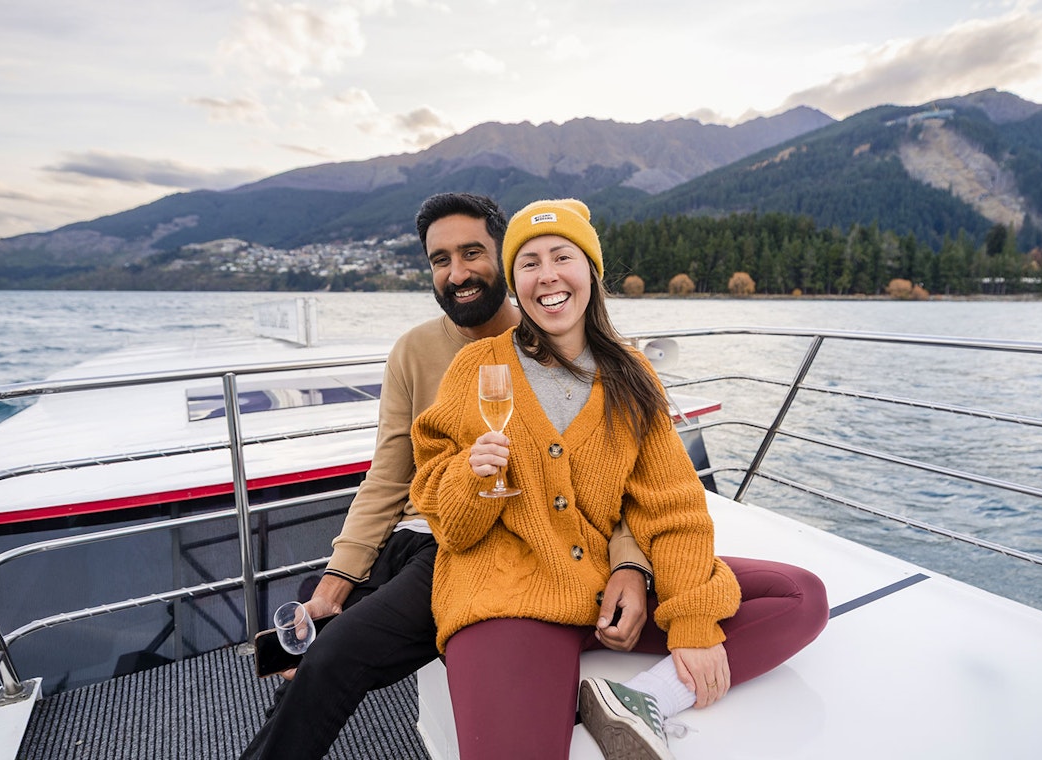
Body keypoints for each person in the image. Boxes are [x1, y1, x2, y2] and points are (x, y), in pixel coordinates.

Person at [410, 198, 830, 760]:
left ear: (591, 271)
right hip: (508, 599)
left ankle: (640, 699)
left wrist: (689, 618)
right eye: (529, 263)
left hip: (605, 593)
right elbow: (450, 523)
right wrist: (472, 475)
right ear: (514, 283)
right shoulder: (478, 368)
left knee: (800, 595)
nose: (548, 276)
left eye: (563, 256)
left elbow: (672, 504)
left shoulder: (632, 374)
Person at [240, 193, 653, 760]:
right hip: (417, 531)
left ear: (504, 259)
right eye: (440, 260)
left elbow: (625, 485)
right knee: (316, 606)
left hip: (471, 545)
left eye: (472, 252)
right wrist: (339, 578)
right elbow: (387, 476)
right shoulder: (414, 350)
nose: (457, 273)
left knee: (335, 654)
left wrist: (630, 560)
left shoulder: (561, 348)